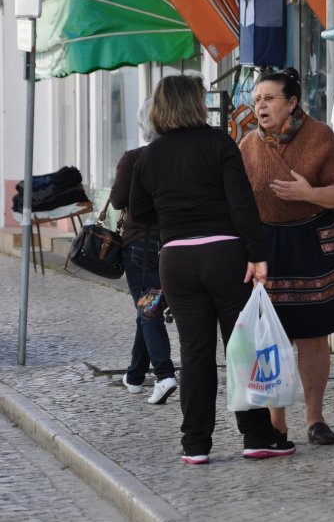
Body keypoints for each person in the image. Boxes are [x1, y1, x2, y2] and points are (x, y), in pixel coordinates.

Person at [129, 74, 296, 465]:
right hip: (225, 256)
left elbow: (138, 212)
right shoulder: (219, 143)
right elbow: (242, 204)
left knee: (195, 352)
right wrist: (258, 256)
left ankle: (196, 445)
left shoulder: (148, 156)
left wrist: (173, 212)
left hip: (177, 260)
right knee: (240, 348)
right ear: (196, 104)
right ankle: (256, 436)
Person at [240, 67, 334, 446]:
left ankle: (316, 418)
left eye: (269, 98)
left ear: (292, 102)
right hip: (267, 247)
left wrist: (308, 193)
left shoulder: (319, 136)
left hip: (313, 240)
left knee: (313, 335)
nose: (260, 106)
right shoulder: (247, 144)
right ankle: (276, 421)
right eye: (257, 99)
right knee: (270, 337)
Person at [110, 98, 177, 405]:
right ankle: (135, 375)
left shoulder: (134, 157)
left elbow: (117, 199)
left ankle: (164, 375)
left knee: (148, 308)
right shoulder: (179, 158)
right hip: (174, 244)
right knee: (147, 305)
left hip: (140, 245)